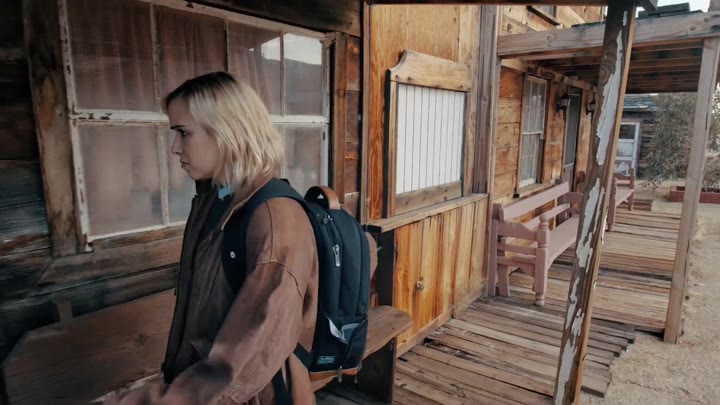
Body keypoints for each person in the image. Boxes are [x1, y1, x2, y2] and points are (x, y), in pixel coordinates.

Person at [104, 71, 319, 405]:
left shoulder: (274, 219)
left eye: (183, 133)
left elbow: (246, 360)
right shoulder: (216, 199)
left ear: (227, 131)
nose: (174, 148)